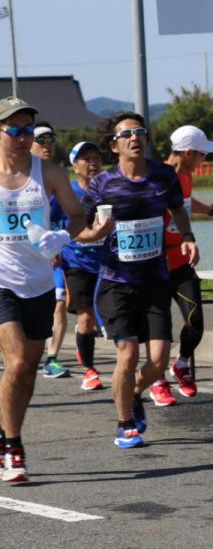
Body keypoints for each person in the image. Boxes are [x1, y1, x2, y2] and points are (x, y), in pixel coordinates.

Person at [82, 112, 197, 449]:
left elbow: (177, 208)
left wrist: (187, 234)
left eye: (140, 132)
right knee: (127, 353)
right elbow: (80, 227)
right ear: (114, 145)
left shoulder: (163, 176)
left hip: (154, 281)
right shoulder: (104, 184)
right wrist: (96, 233)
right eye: (126, 134)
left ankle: (133, 391)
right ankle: (125, 423)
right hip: (116, 281)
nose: (135, 138)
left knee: (159, 360)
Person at [1, 97, 96, 482]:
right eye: (14, 130)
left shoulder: (49, 173)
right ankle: (13, 448)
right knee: (18, 363)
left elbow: (78, 216)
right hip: (2, 282)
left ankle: (8, 434)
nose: (24, 137)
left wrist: (60, 236)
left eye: (28, 130)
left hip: (39, 282)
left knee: (27, 374)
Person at [152, 125, 213, 404]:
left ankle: (182, 365)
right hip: (155, 265)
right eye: (201, 154)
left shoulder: (186, 177)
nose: (204, 160)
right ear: (187, 153)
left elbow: (186, 204)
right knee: (158, 332)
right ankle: (159, 380)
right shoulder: (155, 179)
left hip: (181, 261)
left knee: (195, 321)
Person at [57, 141, 107, 391]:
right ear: (75, 166)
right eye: (85, 159)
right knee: (86, 318)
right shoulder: (67, 192)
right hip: (76, 262)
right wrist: (53, 247)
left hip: (107, 263)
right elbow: (50, 220)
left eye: (96, 157)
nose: (93, 163)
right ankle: (89, 370)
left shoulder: (109, 190)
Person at [31, 123, 71, 379]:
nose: (47, 144)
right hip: (16, 261)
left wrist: (60, 239)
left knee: (59, 305)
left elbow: (75, 218)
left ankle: (52, 358)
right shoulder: (10, 179)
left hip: (55, 258)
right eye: (41, 139)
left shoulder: (58, 177)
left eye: (50, 139)